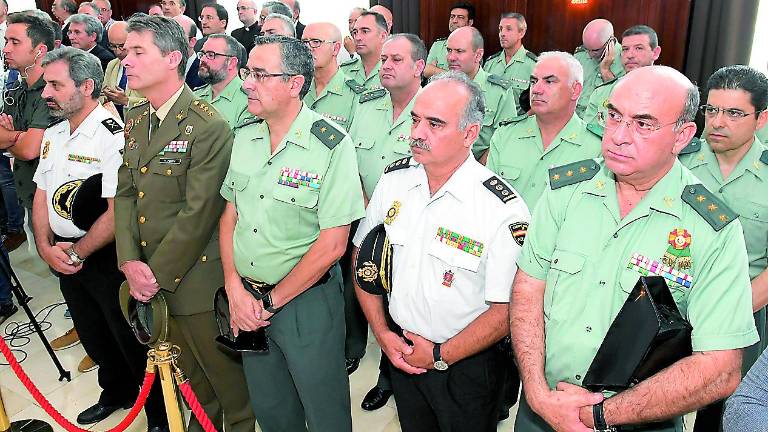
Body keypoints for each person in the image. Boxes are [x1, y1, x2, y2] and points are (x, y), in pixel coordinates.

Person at [510, 65, 758, 432]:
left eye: (643, 124)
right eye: (614, 116)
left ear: (682, 136)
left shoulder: (710, 229)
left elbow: (720, 366)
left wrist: (599, 414)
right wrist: (535, 391)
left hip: (639, 421)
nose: (618, 137)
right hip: (544, 409)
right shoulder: (566, 192)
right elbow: (529, 288)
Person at [353, 70, 530, 431]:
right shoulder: (394, 181)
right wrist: (383, 334)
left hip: (467, 366)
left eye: (435, 124)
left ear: (469, 133)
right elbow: (363, 260)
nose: (417, 133)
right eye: (416, 119)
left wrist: (437, 355)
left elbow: (506, 309)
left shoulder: (500, 208)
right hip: (402, 353)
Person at [115, 14, 254, 432]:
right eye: (126, 51)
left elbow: (200, 212)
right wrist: (127, 260)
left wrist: (152, 275)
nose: (126, 61)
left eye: (139, 52)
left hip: (192, 281)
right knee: (189, 381)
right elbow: (125, 192)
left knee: (229, 388)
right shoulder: (138, 118)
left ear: (173, 58)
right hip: (147, 277)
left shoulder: (207, 124)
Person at [221, 34, 363, 431]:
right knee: (271, 407)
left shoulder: (331, 145)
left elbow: (333, 245)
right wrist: (234, 287)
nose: (247, 82)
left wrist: (269, 303)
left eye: (260, 74)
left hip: (304, 303)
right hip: (247, 298)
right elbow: (229, 214)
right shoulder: (246, 136)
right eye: (248, 72)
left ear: (294, 84)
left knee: (324, 410)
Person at [31, 46, 167, 430]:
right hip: (63, 250)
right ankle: (116, 391)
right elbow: (41, 192)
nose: (46, 93)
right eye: (45, 85)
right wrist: (45, 246)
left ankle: (157, 410)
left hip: (104, 254)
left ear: (87, 86)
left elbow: (116, 212)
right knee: (92, 330)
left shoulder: (112, 136)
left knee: (128, 334)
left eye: (56, 85)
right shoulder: (55, 134)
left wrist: (77, 252)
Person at [677, 65, 768, 432]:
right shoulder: (680, 160)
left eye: (734, 113)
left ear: (761, 119)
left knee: (725, 414)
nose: (717, 122)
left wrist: (729, 314)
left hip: (743, 311)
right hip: (670, 305)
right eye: (712, 110)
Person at [347, 32, 426, 412]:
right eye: (385, 59)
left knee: (407, 308)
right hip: (367, 220)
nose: (386, 65)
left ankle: (391, 376)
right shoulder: (367, 106)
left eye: (396, 59)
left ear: (419, 67)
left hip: (416, 228)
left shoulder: (432, 111)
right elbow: (349, 161)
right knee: (371, 295)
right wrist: (365, 202)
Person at [485, 51, 601, 206]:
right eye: (534, 81)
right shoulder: (506, 134)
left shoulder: (596, 147)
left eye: (549, 82)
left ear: (575, 90)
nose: (537, 90)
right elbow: (486, 201)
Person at [446, 26, 517, 159]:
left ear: (478, 55)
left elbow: (506, 136)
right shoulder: (440, 88)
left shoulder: (499, 91)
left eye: (459, 51)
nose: (451, 57)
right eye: (449, 50)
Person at [582, 25, 661, 125]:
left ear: (655, 53)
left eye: (639, 48)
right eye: (625, 49)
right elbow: (588, 134)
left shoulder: (670, 94)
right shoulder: (601, 93)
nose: (630, 55)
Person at [302, 22, 358, 131]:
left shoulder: (355, 97)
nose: (308, 48)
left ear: (335, 48)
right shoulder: (297, 89)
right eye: (304, 42)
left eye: (316, 42)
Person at [483, 13, 537, 112]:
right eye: (500, 29)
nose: (502, 34)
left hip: (519, 124)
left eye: (508, 29)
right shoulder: (490, 63)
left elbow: (537, 104)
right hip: (490, 124)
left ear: (521, 33)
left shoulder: (534, 65)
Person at [193, 34, 249, 128]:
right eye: (202, 54)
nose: (202, 59)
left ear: (231, 63)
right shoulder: (196, 95)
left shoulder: (248, 101)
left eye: (211, 55)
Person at [574, 18, 624, 118]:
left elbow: (620, 99)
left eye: (595, 50)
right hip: (575, 117)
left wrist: (605, 70)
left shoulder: (625, 59)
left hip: (602, 120)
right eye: (587, 49)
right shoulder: (580, 55)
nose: (590, 54)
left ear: (610, 41)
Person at [424, 2, 474, 80]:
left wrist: (436, 70)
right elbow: (427, 71)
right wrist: (453, 75)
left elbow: (469, 77)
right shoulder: (438, 45)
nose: (454, 21)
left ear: (470, 22)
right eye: (452, 17)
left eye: (460, 17)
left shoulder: (474, 47)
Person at [101, 21, 142, 117]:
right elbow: (102, 95)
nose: (117, 52)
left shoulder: (149, 66)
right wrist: (107, 98)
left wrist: (126, 101)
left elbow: (158, 103)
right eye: (113, 46)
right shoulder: (112, 65)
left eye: (122, 46)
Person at [342, 11, 387, 92]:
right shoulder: (344, 71)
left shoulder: (393, 70)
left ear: (383, 36)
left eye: (365, 31)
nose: (357, 37)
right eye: (355, 32)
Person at [172, 14, 204, 89]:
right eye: (168, 35)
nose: (171, 41)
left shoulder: (203, 74)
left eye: (177, 36)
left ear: (192, 42)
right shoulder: (160, 70)